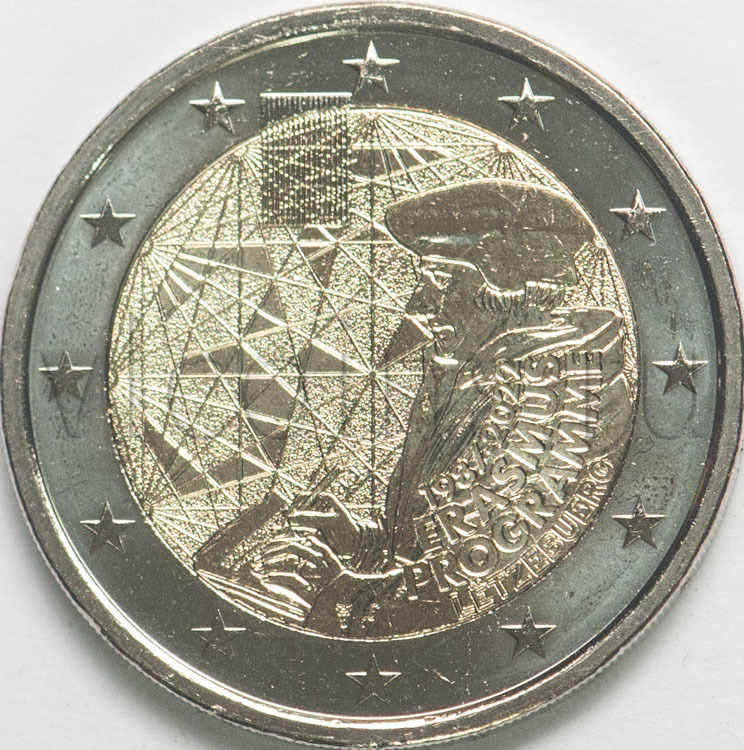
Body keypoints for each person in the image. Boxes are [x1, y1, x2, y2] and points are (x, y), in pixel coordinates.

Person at [194, 179, 633, 637]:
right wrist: (362, 543)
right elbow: (449, 543)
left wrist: (346, 593)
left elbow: (505, 577)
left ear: (505, 288)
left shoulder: (564, 396)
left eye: (441, 282)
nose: (421, 307)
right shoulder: (464, 377)